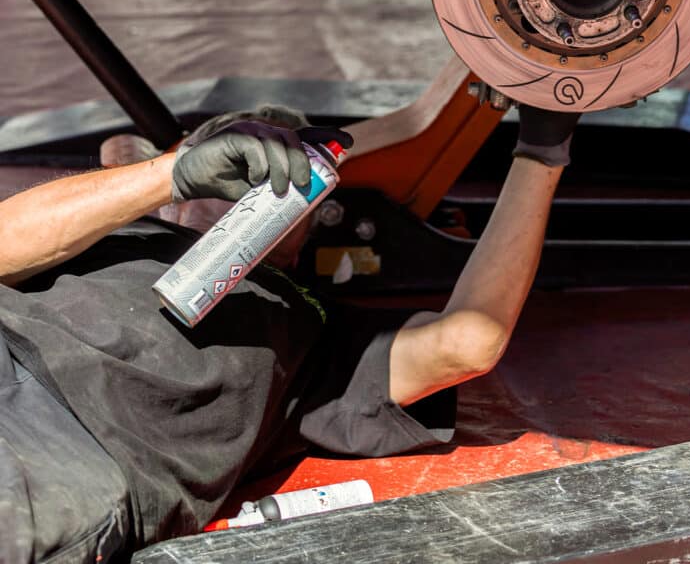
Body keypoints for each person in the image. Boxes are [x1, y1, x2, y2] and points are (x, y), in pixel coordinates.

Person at [0, 101, 579, 563]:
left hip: (66, 455)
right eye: (242, 164)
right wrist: (166, 176)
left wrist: (540, 153)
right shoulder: (95, 227)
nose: (262, 188)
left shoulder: (315, 327)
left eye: (290, 184)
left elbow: (468, 341)